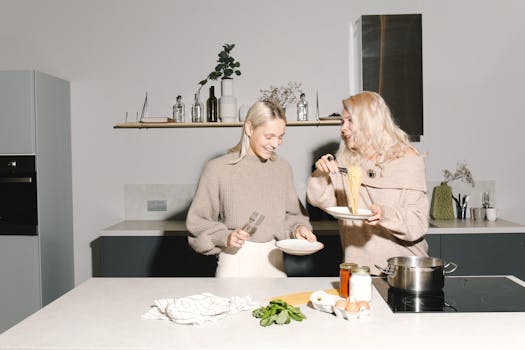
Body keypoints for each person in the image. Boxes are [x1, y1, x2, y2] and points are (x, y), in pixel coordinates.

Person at [187, 100, 316, 277]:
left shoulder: (282, 168)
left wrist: (298, 229)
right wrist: (225, 236)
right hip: (235, 263)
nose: (276, 144)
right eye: (269, 136)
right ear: (249, 129)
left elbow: (292, 216)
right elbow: (197, 223)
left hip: (275, 263)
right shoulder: (217, 168)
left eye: (281, 136)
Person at [306, 91, 429, 275]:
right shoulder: (346, 162)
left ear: (368, 122)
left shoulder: (406, 159)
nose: (343, 128)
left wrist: (384, 214)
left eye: (350, 121)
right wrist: (321, 173)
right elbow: (319, 199)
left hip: (404, 271)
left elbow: (417, 224)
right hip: (358, 270)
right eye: (342, 121)